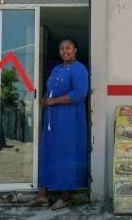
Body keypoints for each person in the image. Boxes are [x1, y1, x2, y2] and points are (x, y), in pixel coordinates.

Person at [28, 38, 89, 210]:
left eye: (68, 48)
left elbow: (79, 93)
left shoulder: (79, 69)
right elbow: (51, 89)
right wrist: (45, 98)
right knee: (47, 153)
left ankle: (66, 197)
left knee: (66, 154)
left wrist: (53, 101)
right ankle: (42, 196)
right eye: (62, 48)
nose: (65, 51)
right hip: (51, 121)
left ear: (75, 50)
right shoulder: (56, 69)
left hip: (69, 122)